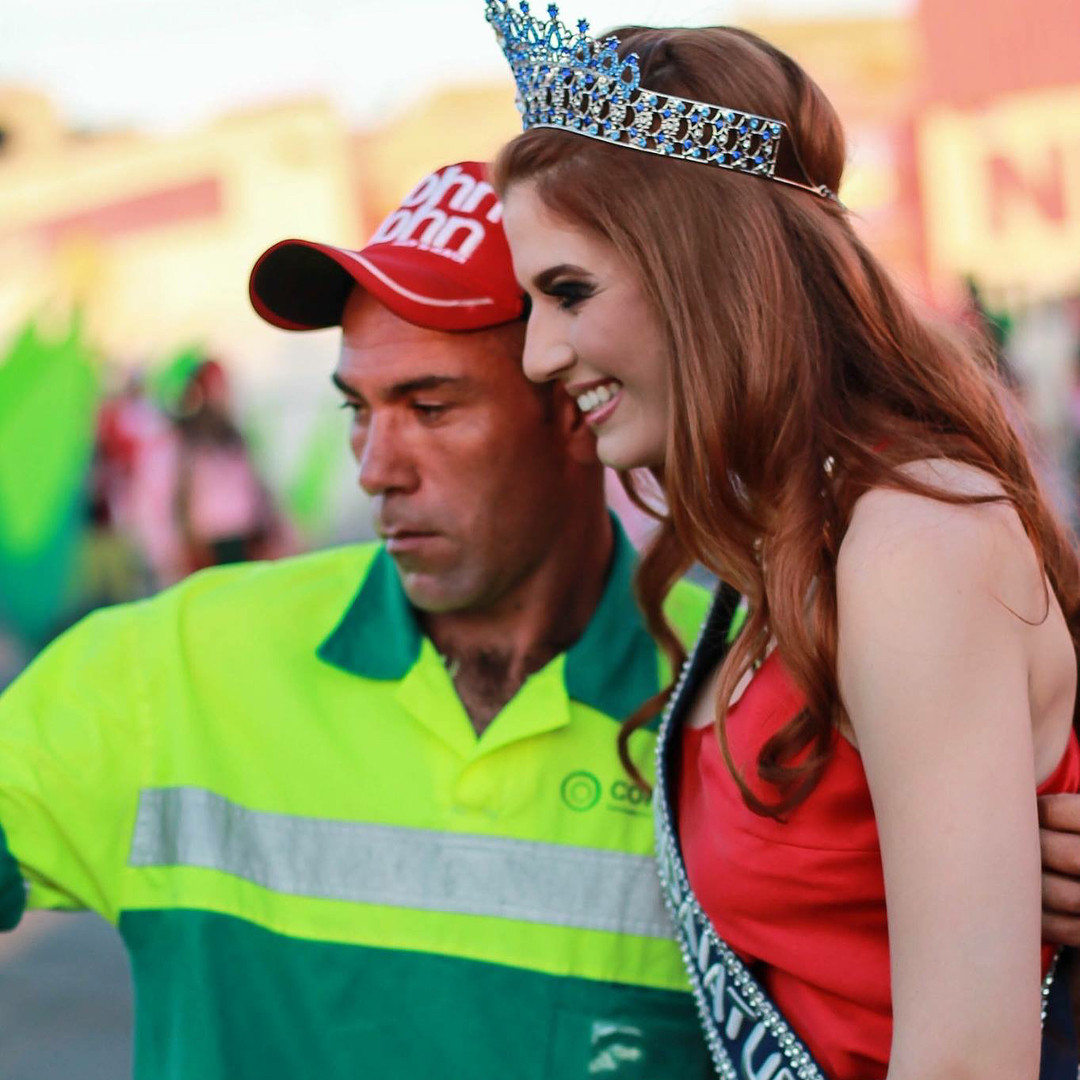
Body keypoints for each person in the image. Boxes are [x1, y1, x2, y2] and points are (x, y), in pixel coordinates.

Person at [0, 160, 715, 1079]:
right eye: (358, 409)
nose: (376, 467)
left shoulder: (742, 690)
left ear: (578, 404)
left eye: (429, 407)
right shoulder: (175, 660)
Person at [487, 5, 1080, 1079]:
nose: (538, 353)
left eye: (567, 291)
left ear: (703, 266)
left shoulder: (909, 545)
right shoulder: (767, 555)